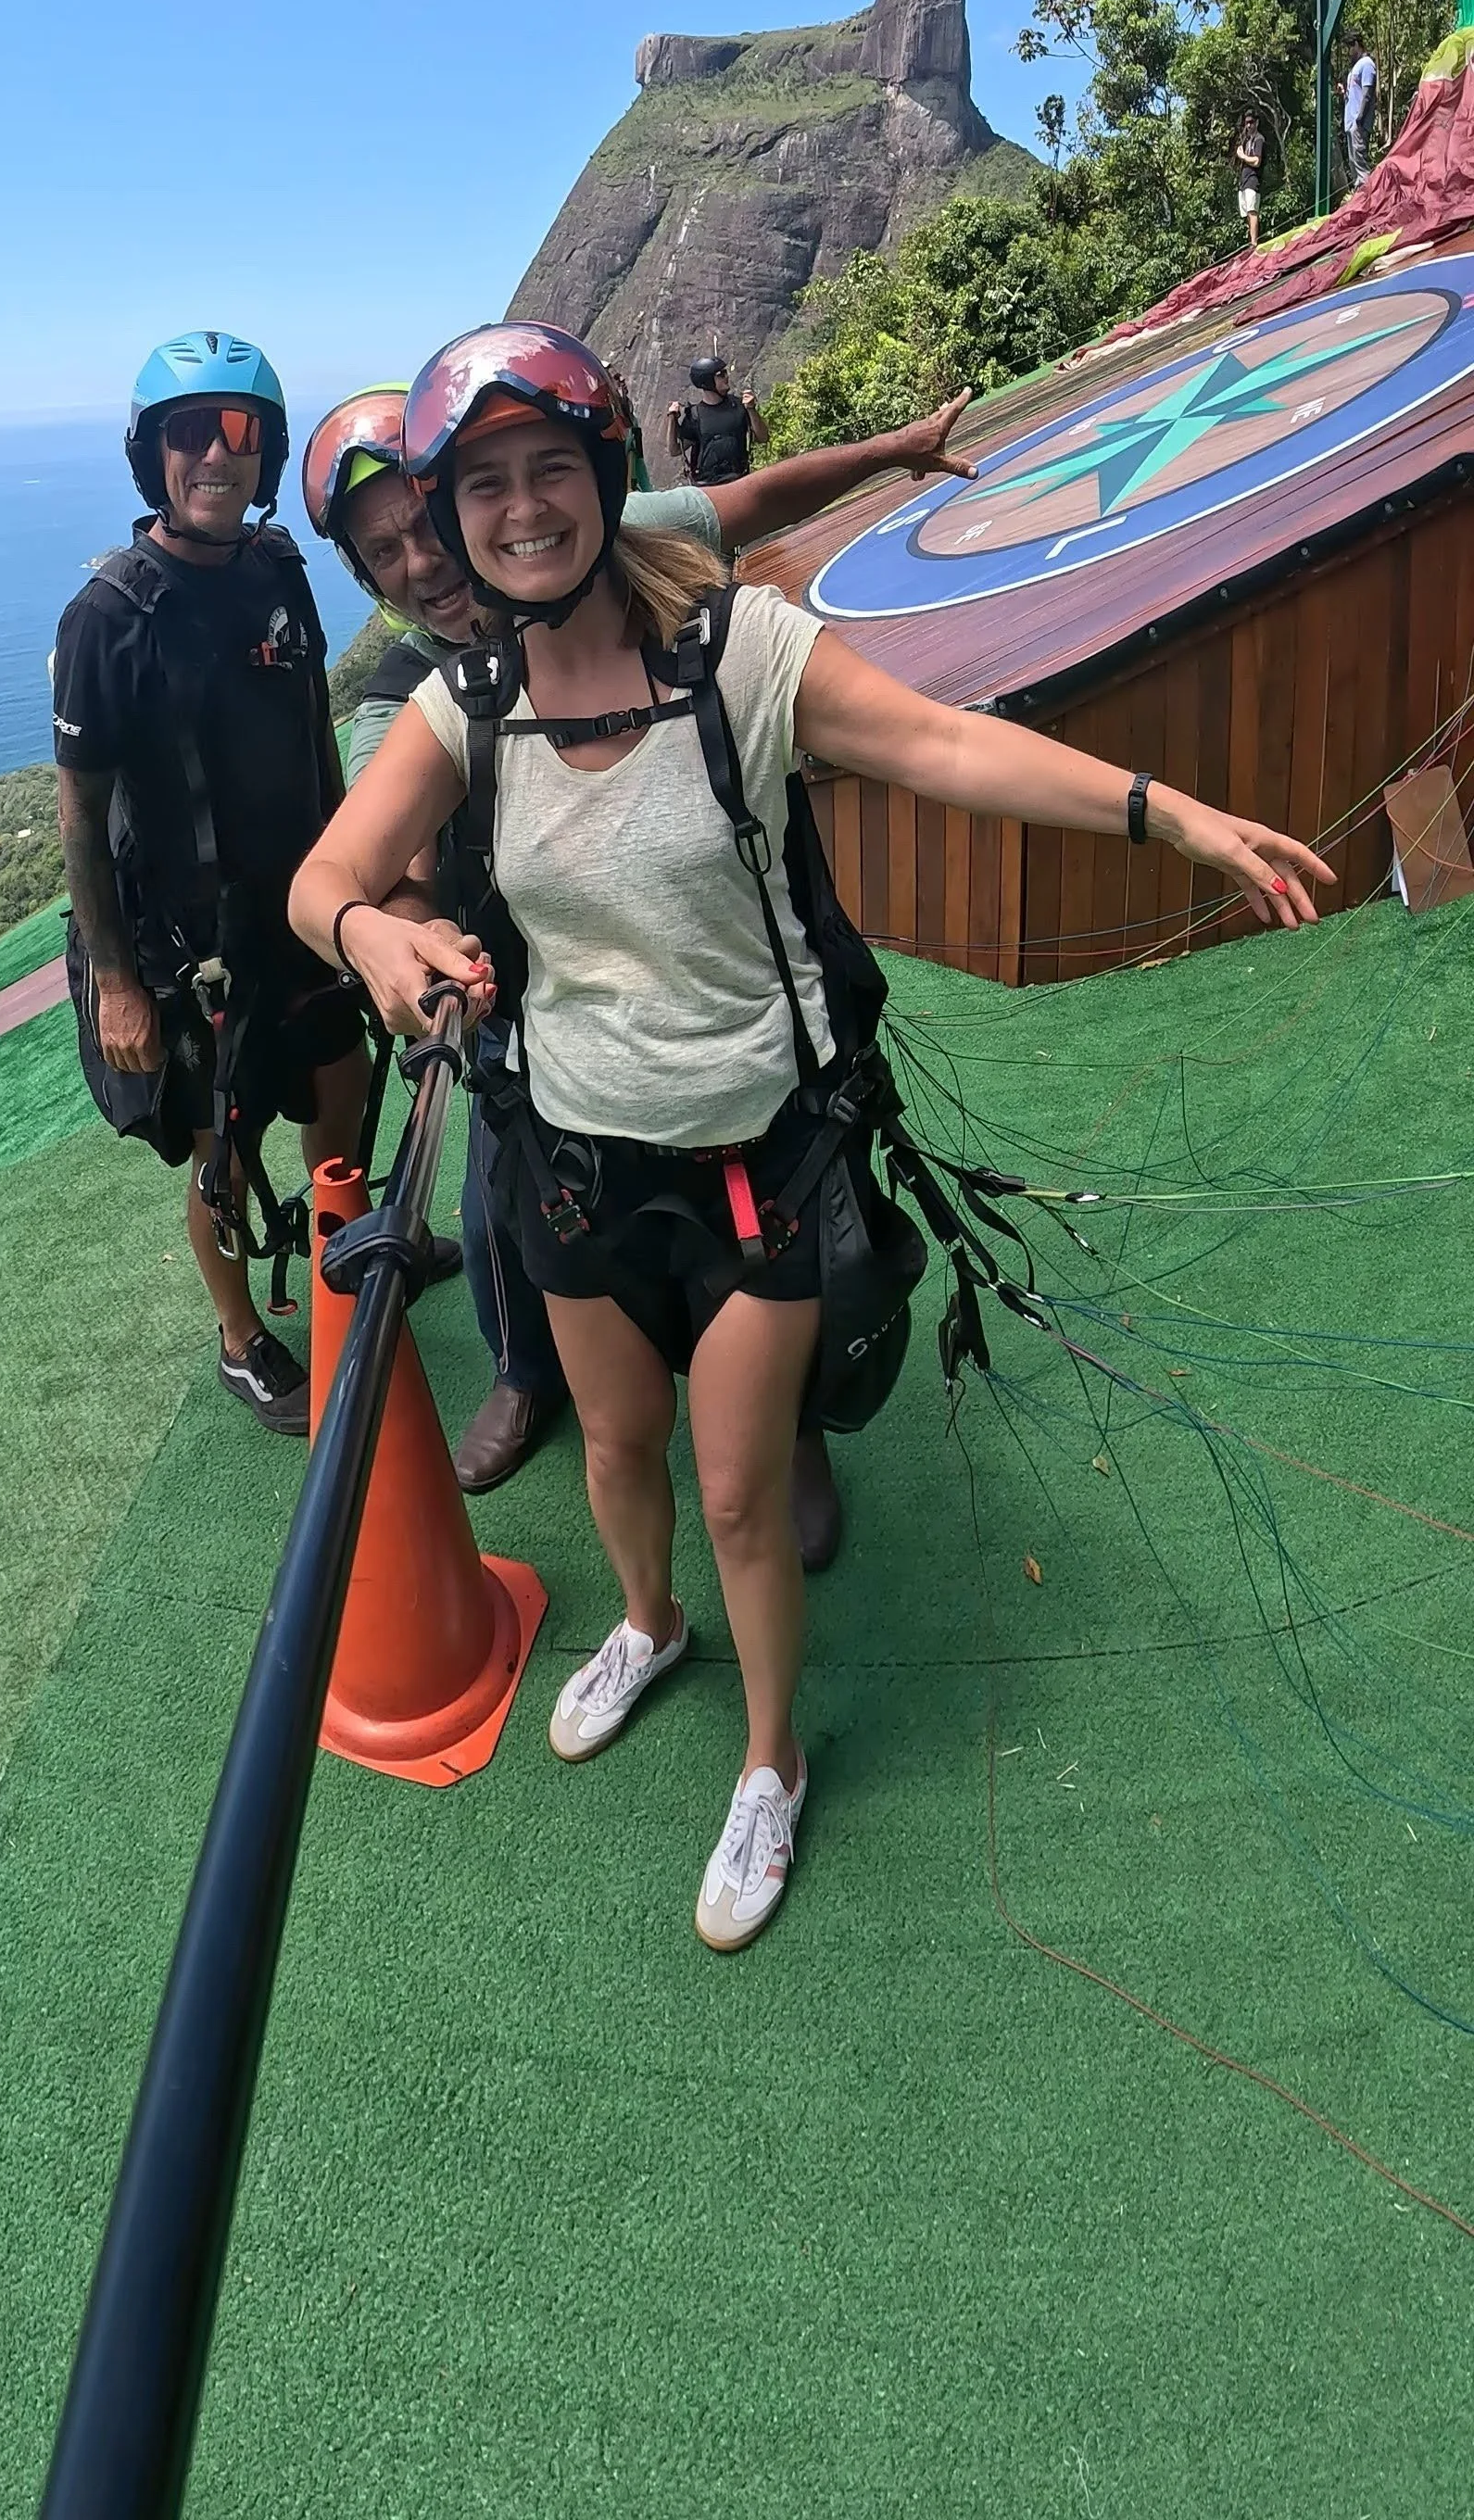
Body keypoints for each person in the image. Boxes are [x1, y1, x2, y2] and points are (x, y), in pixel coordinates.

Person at [291, 323, 1332, 1952]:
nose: (517, 513)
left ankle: (772, 1761)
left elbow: (942, 743)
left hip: (751, 1151)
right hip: (570, 1147)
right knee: (618, 1451)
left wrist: (1166, 810)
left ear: (605, 474)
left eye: (547, 471)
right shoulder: (459, 705)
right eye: (479, 487)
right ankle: (644, 1630)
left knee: (736, 1489)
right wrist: (374, 940)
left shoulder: (741, 657)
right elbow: (321, 881)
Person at [303, 374, 978, 1531]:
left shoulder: (604, 546)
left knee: (790, 1195)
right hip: (542, 996)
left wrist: (891, 454)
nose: (427, 557)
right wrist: (400, 931)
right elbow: (389, 857)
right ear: (373, 584)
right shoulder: (406, 700)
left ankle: (789, 1424)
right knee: (507, 1204)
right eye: (390, 551)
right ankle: (530, 1378)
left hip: (718, 944)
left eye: (423, 524)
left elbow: (748, 501)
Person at [53, 331, 373, 1436]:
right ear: (155, 458)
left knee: (345, 1089)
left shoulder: (278, 568)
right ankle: (242, 1339)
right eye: (190, 434)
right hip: (192, 945)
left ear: (265, 451)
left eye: (238, 433)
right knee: (220, 1150)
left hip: (302, 907)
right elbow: (81, 817)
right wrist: (117, 983)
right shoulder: (109, 614)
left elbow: (315, 731)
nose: (215, 457)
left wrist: (355, 878)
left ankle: (348, 1261)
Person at [668, 356, 764, 485]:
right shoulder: (695, 416)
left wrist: (752, 410)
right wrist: (672, 419)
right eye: (721, 374)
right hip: (707, 486)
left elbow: (763, 437)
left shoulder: (739, 406)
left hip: (739, 480)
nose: (727, 377)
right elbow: (675, 450)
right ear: (707, 381)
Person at [1342, 50, 1379, 183]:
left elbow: (1367, 93)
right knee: (1354, 164)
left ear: (1357, 45)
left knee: (1361, 165)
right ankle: (1360, 197)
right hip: (1350, 123)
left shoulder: (1367, 64)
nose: (1348, 52)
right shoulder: (1354, 68)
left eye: (1350, 47)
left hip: (1359, 124)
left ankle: (1369, 198)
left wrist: (1360, 118)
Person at [1233, 115, 1265, 247]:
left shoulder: (1259, 139)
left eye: (1251, 122)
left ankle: (1254, 242)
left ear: (1257, 123)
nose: (1249, 125)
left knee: (1252, 211)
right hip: (1244, 181)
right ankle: (1250, 241)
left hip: (1253, 179)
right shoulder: (1247, 140)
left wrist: (1243, 156)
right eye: (1247, 123)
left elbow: (1257, 161)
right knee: (1246, 212)